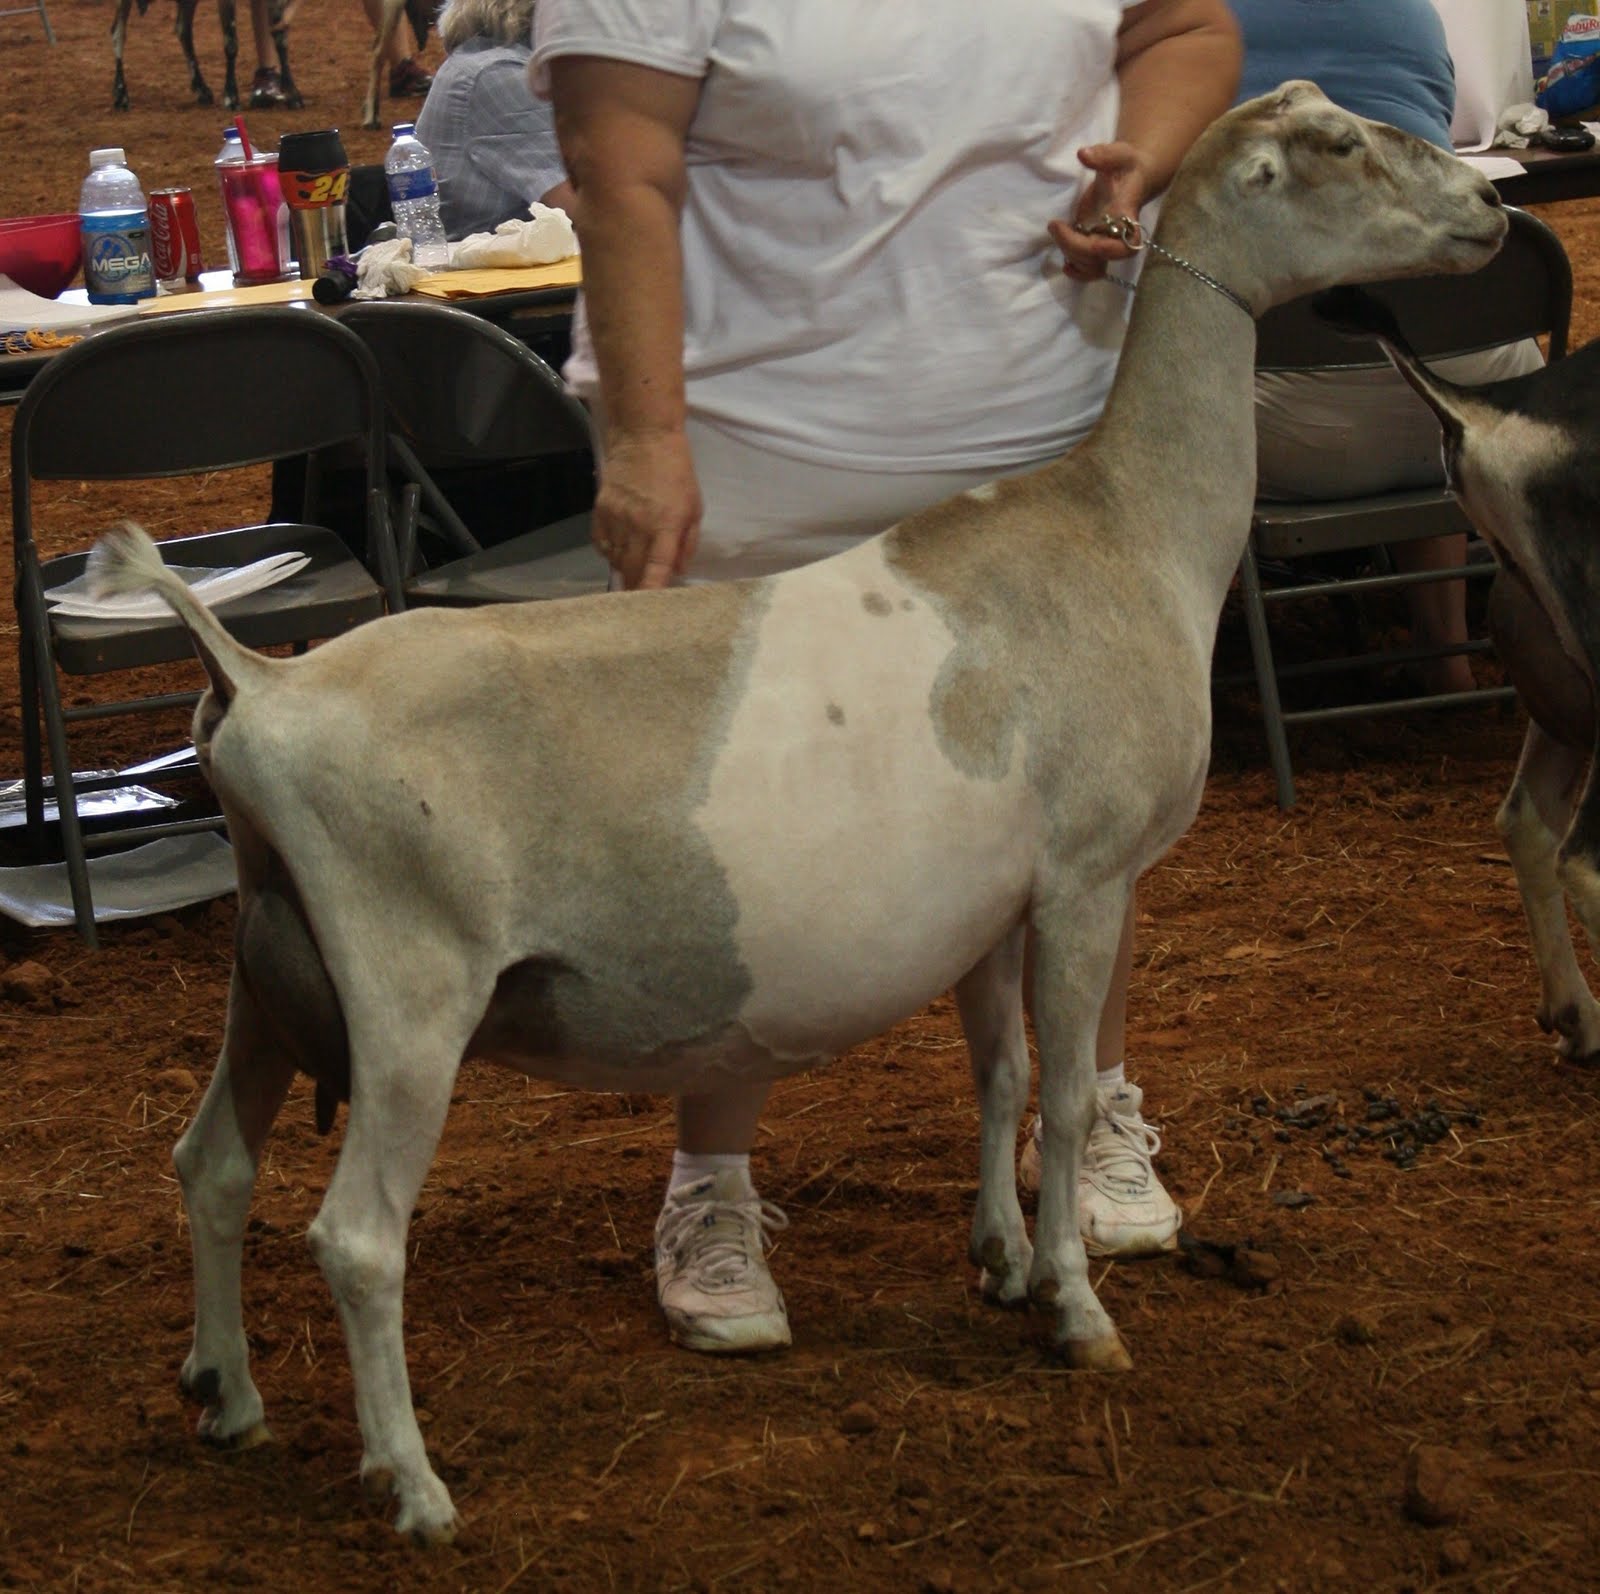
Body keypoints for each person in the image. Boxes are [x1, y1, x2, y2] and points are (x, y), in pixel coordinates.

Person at [532, 0, 1241, 1354]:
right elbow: (619, 161)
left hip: (1045, 419)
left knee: (1077, 801)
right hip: (766, 434)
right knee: (748, 814)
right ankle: (713, 1180)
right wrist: (643, 436)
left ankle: (1089, 1114)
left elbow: (1186, 24)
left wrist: (1141, 154)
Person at [1232, 0, 1544, 695]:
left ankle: (1180, 662)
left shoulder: (1190, 23)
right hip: (1487, 408)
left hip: (1293, 431)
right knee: (1413, 319)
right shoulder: (1413, 13)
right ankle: (1445, 651)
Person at [416, 0, 574, 240]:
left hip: (497, 260)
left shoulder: (484, 60)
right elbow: (578, 208)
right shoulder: (499, 74)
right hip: (486, 270)